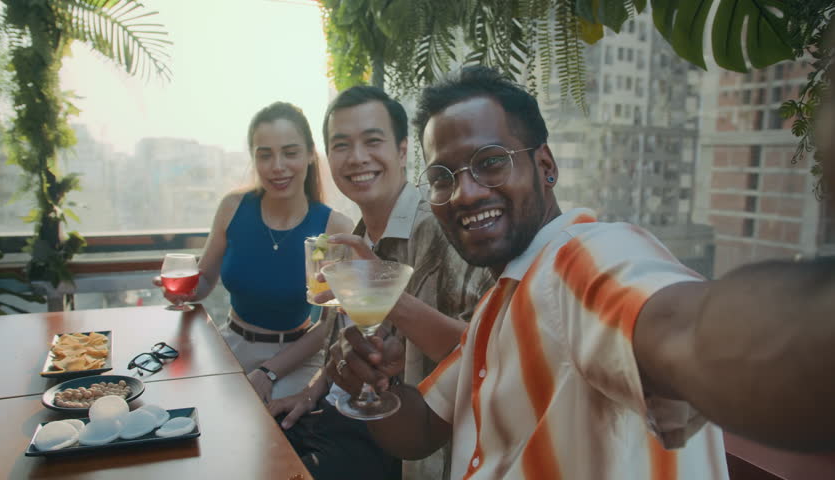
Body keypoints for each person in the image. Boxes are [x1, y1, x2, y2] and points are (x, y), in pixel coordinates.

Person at [327, 66, 835, 480]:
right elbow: (421, 432)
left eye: (490, 162)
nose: (465, 192)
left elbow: (694, 335)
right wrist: (377, 390)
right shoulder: (500, 304)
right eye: (443, 176)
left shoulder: (581, 259)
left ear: (545, 165)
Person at [266, 86, 494, 480]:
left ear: (403, 151)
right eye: (341, 146)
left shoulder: (439, 231)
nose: (357, 158)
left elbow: (485, 353)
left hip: (396, 440)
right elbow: (338, 335)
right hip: (336, 414)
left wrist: (392, 298)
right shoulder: (353, 236)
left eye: (372, 141)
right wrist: (310, 392)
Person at [157, 102, 354, 402]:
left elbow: (328, 326)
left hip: (295, 359)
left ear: (311, 154)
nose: (277, 166)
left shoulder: (333, 227)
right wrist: (182, 291)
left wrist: (269, 371)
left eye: (290, 152)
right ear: (254, 159)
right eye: (265, 155)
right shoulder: (233, 208)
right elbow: (205, 280)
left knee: (269, 430)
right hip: (231, 345)